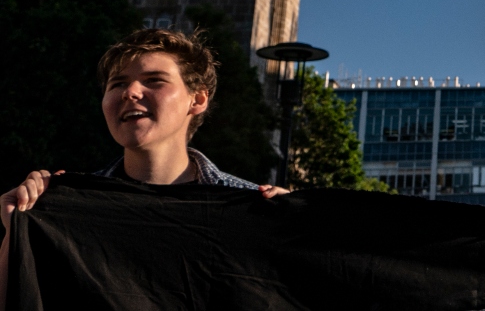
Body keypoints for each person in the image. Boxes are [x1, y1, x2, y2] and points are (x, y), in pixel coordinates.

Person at [0, 29, 287, 311]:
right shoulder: (64, 207)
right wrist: (16, 232)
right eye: (117, 84)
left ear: (197, 100)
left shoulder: (251, 207)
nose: (130, 92)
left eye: (154, 80)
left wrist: (295, 225)